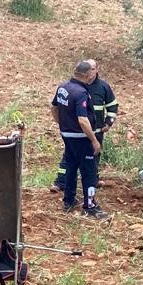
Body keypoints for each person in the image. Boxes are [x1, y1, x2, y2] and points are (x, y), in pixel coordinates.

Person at [53, 60, 109, 219]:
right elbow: (83, 120)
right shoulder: (81, 92)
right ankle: (90, 206)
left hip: (67, 135)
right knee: (89, 172)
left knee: (71, 167)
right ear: (87, 75)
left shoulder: (63, 87)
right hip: (81, 138)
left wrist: (61, 123)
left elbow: (53, 107)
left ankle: (68, 201)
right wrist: (94, 140)